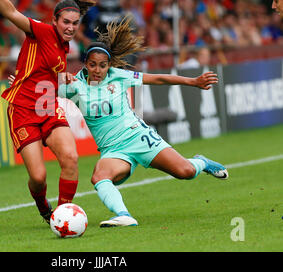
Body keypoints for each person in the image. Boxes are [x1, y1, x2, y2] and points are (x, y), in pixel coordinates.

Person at [58, 15, 228, 227]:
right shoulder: (73, 85)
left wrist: (192, 81)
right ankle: (124, 215)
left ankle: (202, 162)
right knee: (99, 176)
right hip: (113, 150)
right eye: (93, 65)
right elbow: (40, 88)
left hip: (138, 136)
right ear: (85, 63)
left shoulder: (117, 75)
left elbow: (158, 78)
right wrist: (24, 80)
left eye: (103, 65)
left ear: (109, 64)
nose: (98, 70)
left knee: (185, 172)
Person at [0, 0, 96, 224]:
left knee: (71, 159)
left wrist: (64, 78)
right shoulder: (41, 31)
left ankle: (63, 217)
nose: (71, 27)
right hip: (23, 110)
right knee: (38, 177)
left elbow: (45, 74)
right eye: (66, 22)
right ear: (55, 21)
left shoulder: (65, 46)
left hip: (48, 107)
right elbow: (11, 12)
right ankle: (43, 207)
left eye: (75, 23)